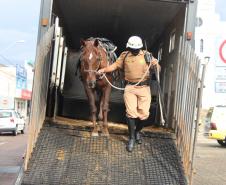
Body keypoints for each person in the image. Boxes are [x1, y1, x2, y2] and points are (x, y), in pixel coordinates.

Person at [98, 36, 160, 152]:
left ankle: (137, 131)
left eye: (136, 49)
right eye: (132, 48)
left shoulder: (147, 54)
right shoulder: (125, 55)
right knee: (131, 113)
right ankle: (131, 138)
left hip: (144, 88)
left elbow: (158, 69)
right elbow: (115, 66)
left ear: (140, 47)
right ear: (129, 47)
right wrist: (104, 70)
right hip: (130, 87)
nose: (134, 51)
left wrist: (153, 64)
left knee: (144, 114)